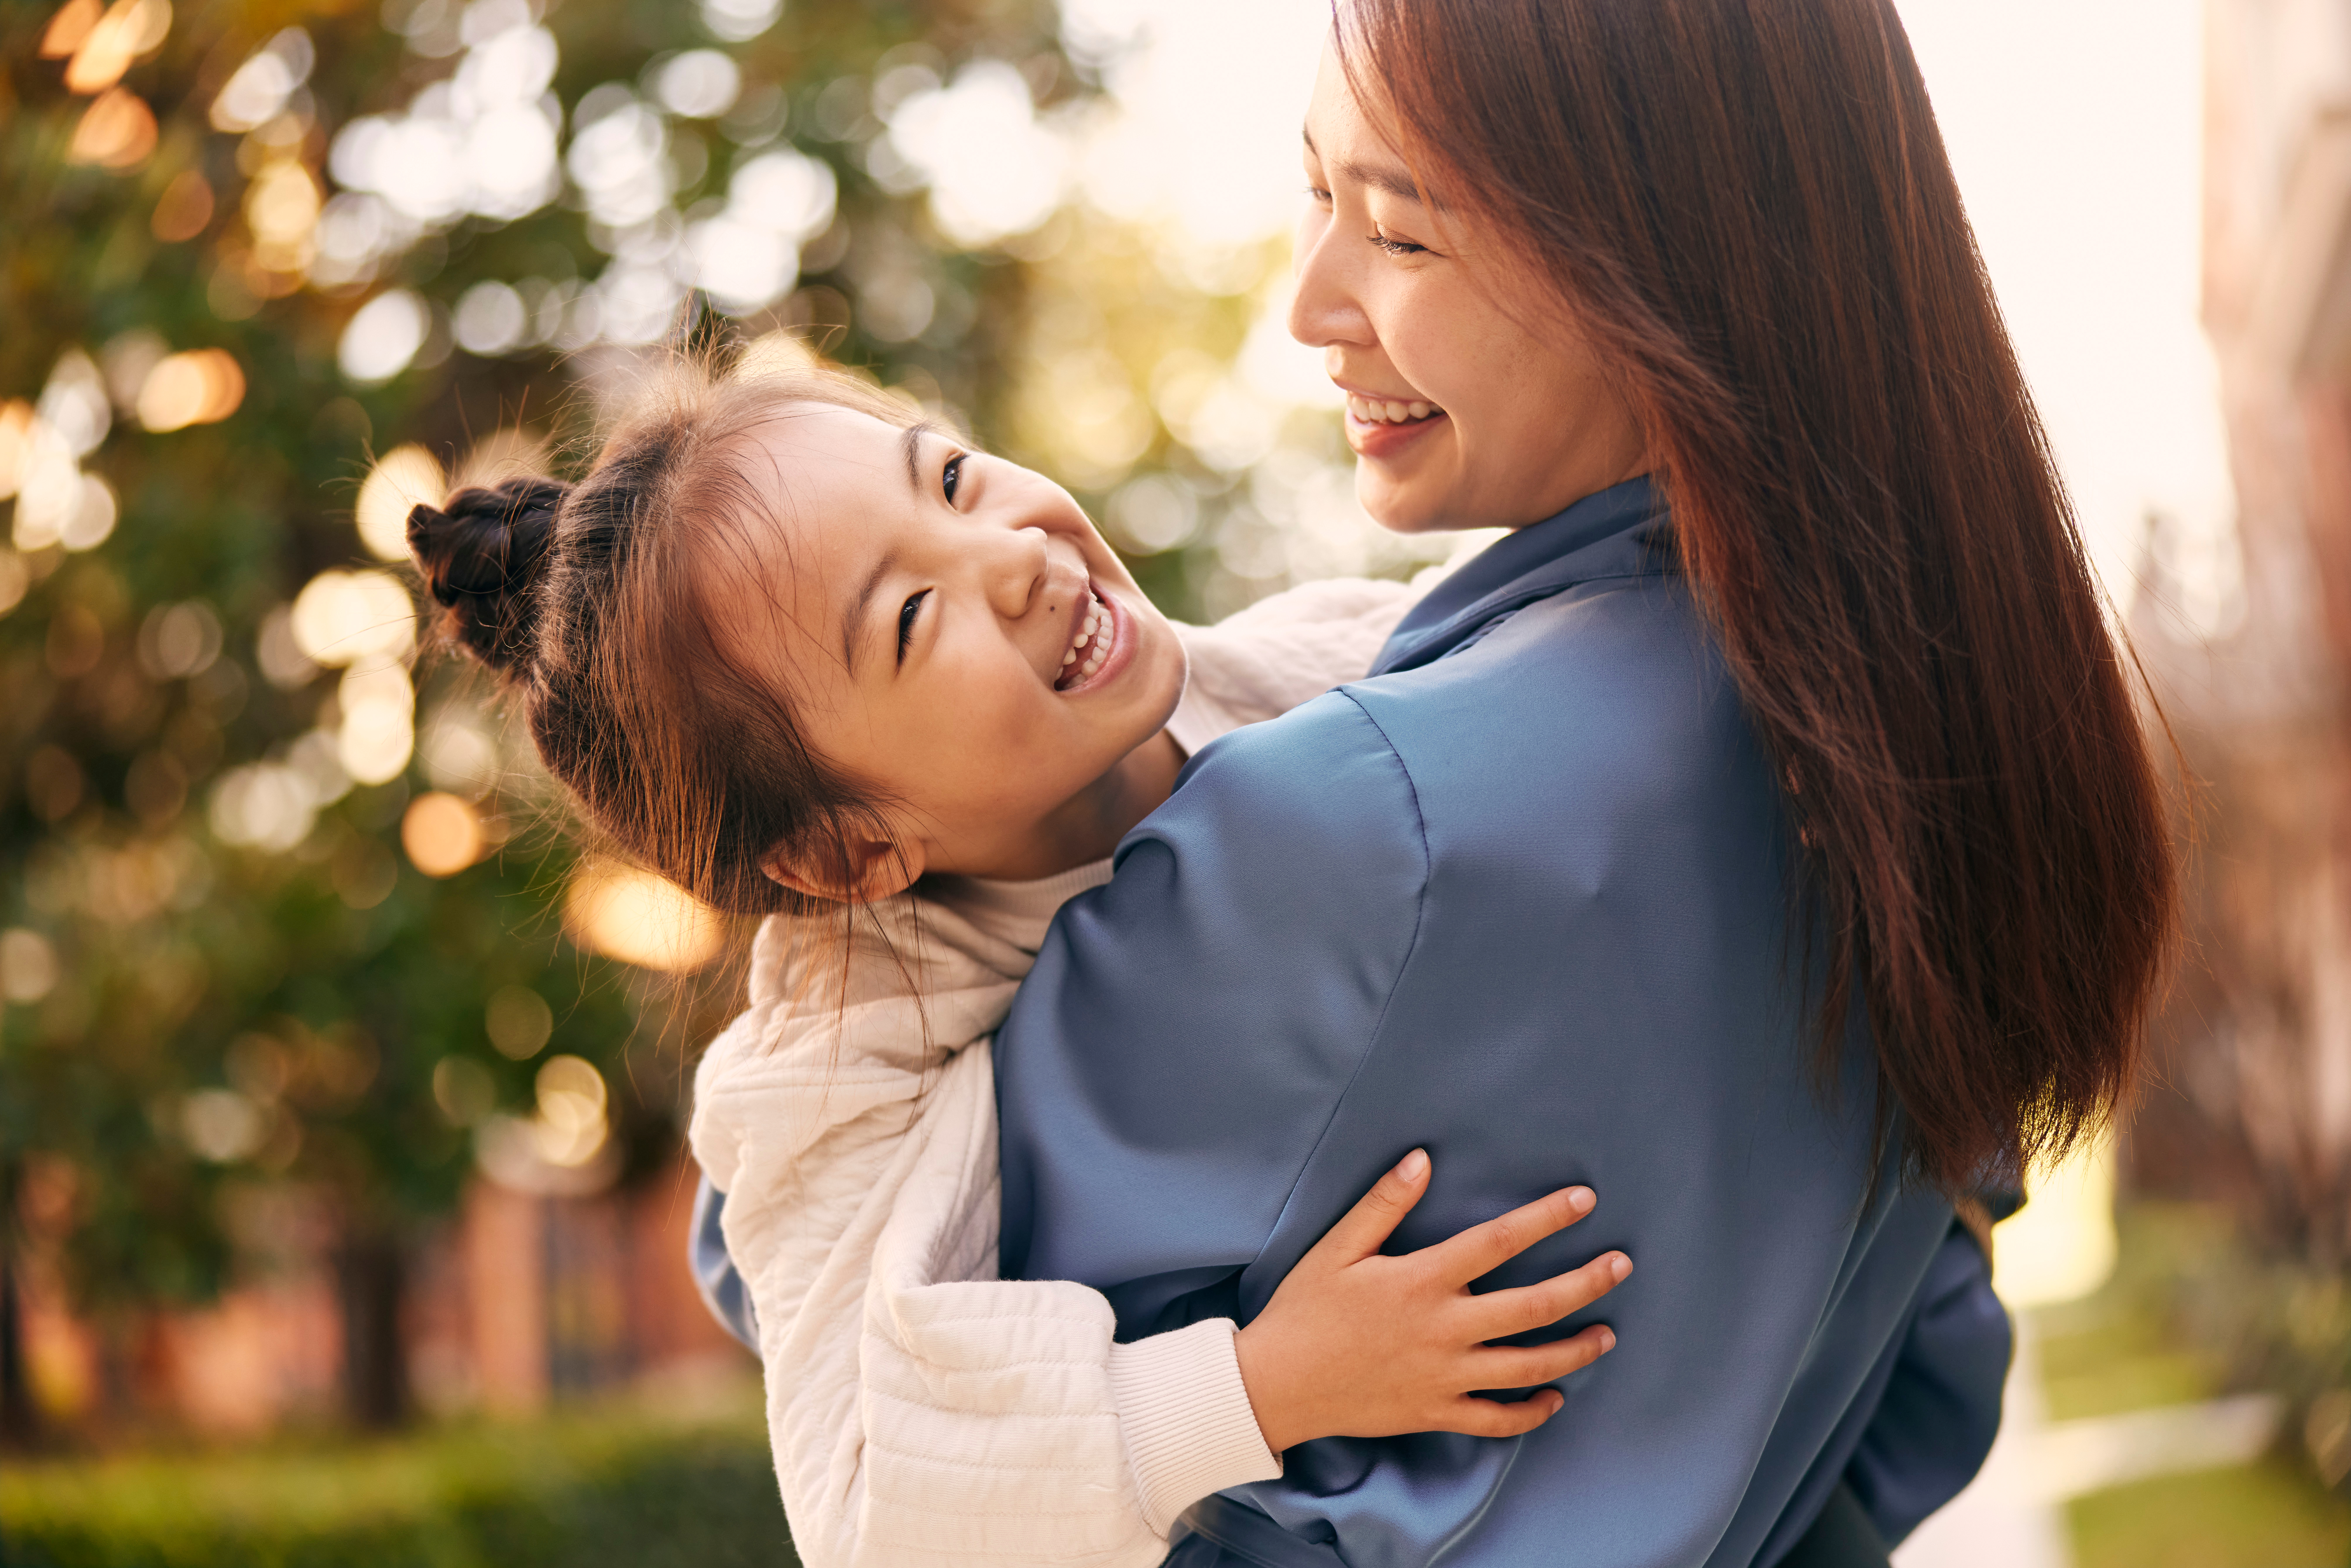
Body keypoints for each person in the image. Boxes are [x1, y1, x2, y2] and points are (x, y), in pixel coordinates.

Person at [987, 2, 2176, 1565]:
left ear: (1659, 268)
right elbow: (1922, 1394)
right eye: (1317, 196)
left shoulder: (1353, 819)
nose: (1312, 304)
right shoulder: (1916, 765)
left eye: (1401, 235)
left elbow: (904, 1366)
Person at [407, 347, 1632, 1568]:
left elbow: (1523, 635)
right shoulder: (847, 1048)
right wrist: (1266, 1384)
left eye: (946, 477)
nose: (1010, 556)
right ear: (844, 850)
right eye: (908, 616)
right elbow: (867, 1505)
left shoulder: (1281, 671)